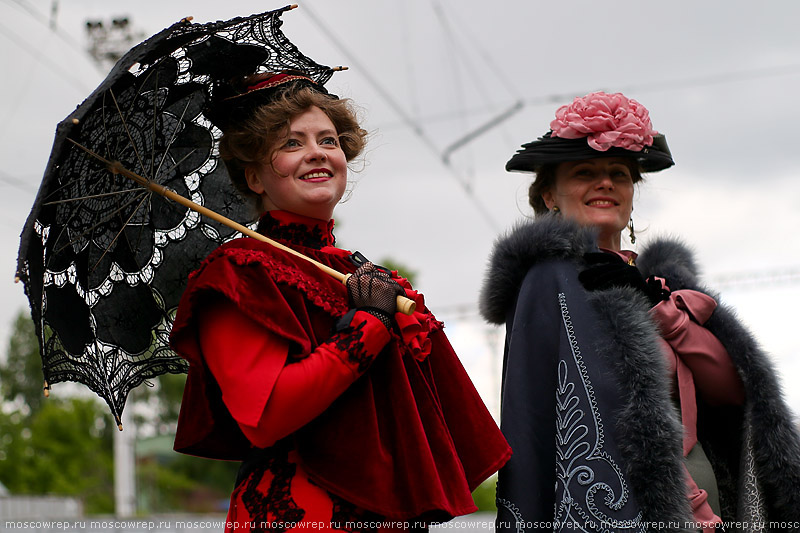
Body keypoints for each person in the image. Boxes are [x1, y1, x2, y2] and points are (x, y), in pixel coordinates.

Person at [170, 71, 511, 532]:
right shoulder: (237, 274)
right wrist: (368, 324)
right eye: (291, 143)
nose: (316, 152)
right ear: (253, 176)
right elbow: (267, 418)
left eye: (328, 140)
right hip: (297, 516)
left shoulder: (359, 271)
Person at [480, 91, 800, 531]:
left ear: (632, 194)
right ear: (550, 195)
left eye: (619, 173)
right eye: (585, 172)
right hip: (629, 508)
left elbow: (733, 390)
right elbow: (556, 416)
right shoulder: (549, 279)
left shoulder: (663, 285)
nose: (605, 182)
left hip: (716, 503)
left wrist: (660, 311)